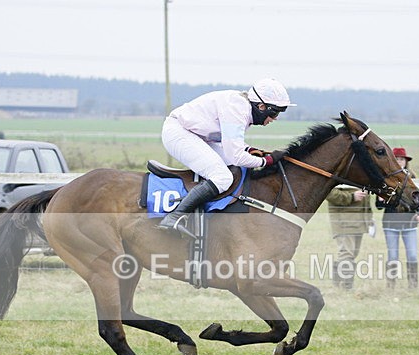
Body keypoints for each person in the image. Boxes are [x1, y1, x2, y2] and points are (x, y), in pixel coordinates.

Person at [158, 78, 294, 233]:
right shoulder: (237, 110)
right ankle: (174, 217)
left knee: (234, 167)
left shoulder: (242, 108)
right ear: (261, 106)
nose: (275, 118)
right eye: (274, 112)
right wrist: (266, 161)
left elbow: (233, 145)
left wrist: (250, 150)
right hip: (179, 132)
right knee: (222, 177)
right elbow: (236, 156)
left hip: (197, 135)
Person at [377, 147, 419, 289]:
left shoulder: (412, 179)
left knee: (412, 255)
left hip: (410, 224)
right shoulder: (386, 179)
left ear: (406, 161)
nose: (399, 162)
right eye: (397, 159)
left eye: (402, 159)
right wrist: (381, 200)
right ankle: (391, 286)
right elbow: (379, 206)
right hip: (390, 223)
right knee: (393, 256)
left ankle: (413, 285)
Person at [326, 186, 374, 289]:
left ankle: (337, 283)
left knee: (352, 254)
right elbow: (329, 193)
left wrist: (369, 218)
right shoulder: (339, 171)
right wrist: (351, 197)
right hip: (343, 222)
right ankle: (346, 286)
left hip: (359, 222)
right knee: (346, 253)